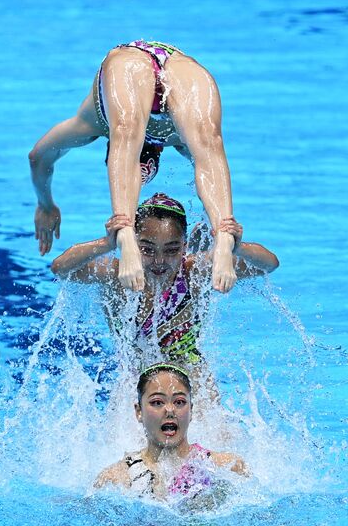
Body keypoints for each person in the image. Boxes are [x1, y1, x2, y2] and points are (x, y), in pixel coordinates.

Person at [29, 39, 238, 293]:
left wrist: (46, 205)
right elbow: (211, 163)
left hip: (127, 64)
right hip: (182, 68)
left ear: (111, 153)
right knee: (208, 140)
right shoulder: (180, 139)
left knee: (125, 128)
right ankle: (224, 235)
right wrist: (220, 227)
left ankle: (126, 234)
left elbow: (38, 157)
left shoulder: (94, 123)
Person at [50, 192, 279, 372]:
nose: (159, 261)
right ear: (132, 245)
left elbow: (269, 264)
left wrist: (235, 247)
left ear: (185, 247)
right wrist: (107, 243)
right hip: (135, 378)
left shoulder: (194, 272)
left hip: (190, 373)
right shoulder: (117, 274)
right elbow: (61, 268)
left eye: (171, 250)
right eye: (147, 249)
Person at [94, 363, 247, 502]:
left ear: (191, 410)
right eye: (157, 402)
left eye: (179, 402)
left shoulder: (228, 466)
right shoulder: (115, 479)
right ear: (139, 412)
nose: (170, 410)